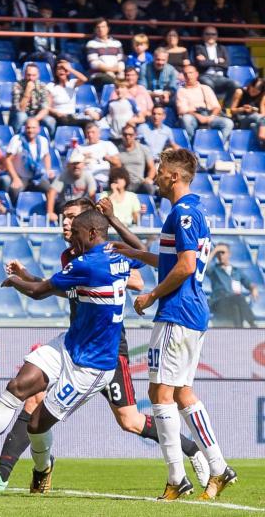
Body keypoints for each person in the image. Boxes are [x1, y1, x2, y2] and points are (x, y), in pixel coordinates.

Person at [0, 197, 206, 492]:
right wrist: (29, 278)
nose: (66, 224)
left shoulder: (94, 257)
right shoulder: (73, 257)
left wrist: (21, 282)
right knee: (30, 397)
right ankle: (4, 473)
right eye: (64, 218)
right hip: (74, 345)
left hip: (108, 352)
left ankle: (190, 449)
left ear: (91, 227)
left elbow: (134, 279)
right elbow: (62, 289)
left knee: (129, 420)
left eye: (71, 219)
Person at [0, 208, 140, 493]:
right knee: (17, 386)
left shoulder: (88, 263)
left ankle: (42, 468)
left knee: (36, 425)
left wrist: (14, 281)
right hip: (69, 345)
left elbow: (38, 292)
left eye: (79, 234)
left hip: (92, 367)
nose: (74, 240)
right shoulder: (117, 256)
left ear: (93, 233)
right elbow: (142, 251)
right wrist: (117, 223)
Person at [114, 149, 237, 500]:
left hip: (176, 312)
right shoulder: (195, 211)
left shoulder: (182, 214)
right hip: (193, 313)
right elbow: (174, 261)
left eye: (160, 171)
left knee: (160, 394)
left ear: (174, 176)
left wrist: (150, 296)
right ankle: (218, 466)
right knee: (181, 393)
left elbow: (184, 266)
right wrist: (137, 254)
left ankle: (176, 477)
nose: (154, 176)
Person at [175, 64, 233, 142]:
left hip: (209, 115)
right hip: (193, 116)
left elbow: (216, 107)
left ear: (196, 74)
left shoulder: (205, 88)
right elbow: (182, 110)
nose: (188, 76)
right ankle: (190, 146)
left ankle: (218, 146)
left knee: (228, 123)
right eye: (185, 74)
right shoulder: (181, 91)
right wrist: (199, 116)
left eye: (190, 73)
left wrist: (211, 116)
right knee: (186, 119)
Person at [206, 244, 258, 328]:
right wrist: (214, 251)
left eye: (222, 252)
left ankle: (238, 333)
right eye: (218, 253)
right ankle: (252, 324)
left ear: (229, 254)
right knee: (239, 298)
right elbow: (203, 266)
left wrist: (253, 289)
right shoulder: (214, 270)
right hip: (219, 302)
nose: (220, 255)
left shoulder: (236, 271)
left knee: (236, 308)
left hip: (234, 303)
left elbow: (248, 283)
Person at [5, 117, 53, 203]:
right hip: (20, 176)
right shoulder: (17, 140)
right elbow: (8, 160)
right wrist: (15, 178)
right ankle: (13, 213)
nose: (30, 130)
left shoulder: (43, 141)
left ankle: (49, 213)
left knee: (50, 190)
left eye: (33, 128)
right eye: (28, 127)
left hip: (37, 176)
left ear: (38, 129)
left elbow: (47, 155)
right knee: (14, 190)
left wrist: (48, 170)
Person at [46, 151, 97, 222]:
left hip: (81, 207)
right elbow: (52, 192)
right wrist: (50, 212)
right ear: (69, 165)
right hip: (65, 206)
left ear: (83, 165)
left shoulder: (88, 176)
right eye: (73, 164)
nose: (76, 166)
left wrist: (94, 213)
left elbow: (92, 195)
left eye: (78, 163)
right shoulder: (63, 175)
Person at [194, 27, 240, 101]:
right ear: (203, 36)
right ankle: (213, 108)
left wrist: (207, 61)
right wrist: (217, 61)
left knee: (235, 84)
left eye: (213, 34)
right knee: (209, 84)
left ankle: (226, 109)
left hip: (220, 77)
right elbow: (200, 64)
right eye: (207, 34)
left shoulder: (222, 48)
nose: (210, 36)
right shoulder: (199, 48)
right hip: (205, 76)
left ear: (217, 36)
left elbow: (226, 64)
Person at [47, 59, 93, 128]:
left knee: (89, 123)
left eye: (64, 69)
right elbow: (47, 106)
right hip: (59, 116)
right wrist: (56, 113)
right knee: (64, 120)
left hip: (72, 115)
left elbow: (84, 79)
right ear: (56, 72)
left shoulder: (72, 83)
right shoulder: (50, 86)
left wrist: (69, 68)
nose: (62, 71)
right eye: (59, 69)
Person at [11, 63, 54, 134]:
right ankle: (16, 138)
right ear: (24, 75)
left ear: (38, 75)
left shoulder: (42, 86)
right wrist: (27, 91)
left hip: (36, 115)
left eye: (34, 75)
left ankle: (50, 141)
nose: (31, 78)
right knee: (21, 116)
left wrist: (34, 120)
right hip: (21, 114)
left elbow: (45, 108)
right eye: (28, 75)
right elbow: (21, 109)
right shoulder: (17, 86)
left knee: (50, 121)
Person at [76, 122, 121, 188]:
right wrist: (83, 159)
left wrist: (107, 158)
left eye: (93, 132)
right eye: (88, 133)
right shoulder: (80, 148)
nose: (90, 135)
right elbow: (72, 166)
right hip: (86, 181)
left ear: (99, 134)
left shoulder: (108, 145)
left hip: (104, 181)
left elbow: (118, 163)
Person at [117, 122, 156, 194]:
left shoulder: (143, 148)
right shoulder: (117, 150)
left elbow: (152, 167)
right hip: (125, 184)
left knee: (149, 187)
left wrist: (149, 178)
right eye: (125, 134)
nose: (127, 137)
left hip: (139, 183)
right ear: (122, 135)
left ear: (135, 135)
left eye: (130, 135)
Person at [85, 18, 125, 91]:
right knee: (113, 82)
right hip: (98, 75)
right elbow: (94, 64)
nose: (101, 29)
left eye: (103, 27)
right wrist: (109, 71)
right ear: (95, 29)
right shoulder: (91, 44)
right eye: (98, 27)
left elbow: (121, 63)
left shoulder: (117, 43)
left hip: (116, 73)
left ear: (108, 28)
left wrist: (114, 71)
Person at [229, 77, 265, 144]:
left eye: (256, 91)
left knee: (254, 125)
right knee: (257, 118)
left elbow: (263, 114)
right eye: (253, 88)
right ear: (250, 85)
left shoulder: (262, 96)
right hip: (240, 117)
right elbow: (232, 110)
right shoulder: (240, 92)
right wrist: (242, 109)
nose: (253, 92)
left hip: (256, 119)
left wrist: (254, 110)